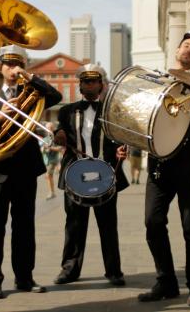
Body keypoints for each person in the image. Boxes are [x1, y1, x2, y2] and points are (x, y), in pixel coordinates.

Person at [117, 29, 190, 306]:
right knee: (152, 222)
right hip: (159, 165)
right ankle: (166, 280)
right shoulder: (157, 79)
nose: (188, 50)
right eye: (186, 45)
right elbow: (137, 115)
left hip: (188, 165)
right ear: (177, 49)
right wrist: (127, 140)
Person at [0, 44, 62, 299]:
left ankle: (24, 277)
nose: (14, 69)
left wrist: (31, 77)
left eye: (19, 64)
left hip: (25, 168)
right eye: (9, 64)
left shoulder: (31, 90)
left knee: (24, 226)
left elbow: (55, 97)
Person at [52, 64, 128, 287]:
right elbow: (59, 131)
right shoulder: (66, 112)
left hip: (107, 175)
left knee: (108, 225)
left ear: (101, 84)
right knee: (74, 225)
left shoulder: (112, 111)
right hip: (75, 175)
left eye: (93, 81)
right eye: (85, 81)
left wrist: (122, 150)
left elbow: (121, 137)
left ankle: (114, 271)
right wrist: (59, 134)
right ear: (80, 86)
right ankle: (69, 270)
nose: (89, 85)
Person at [40, 122, 63, 200]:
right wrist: (43, 149)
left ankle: (52, 192)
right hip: (46, 160)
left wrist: (50, 148)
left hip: (53, 160)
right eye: (47, 128)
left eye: (50, 128)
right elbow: (41, 149)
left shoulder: (57, 138)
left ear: (53, 128)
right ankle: (52, 191)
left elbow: (60, 148)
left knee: (48, 175)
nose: (48, 130)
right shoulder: (45, 139)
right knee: (49, 177)